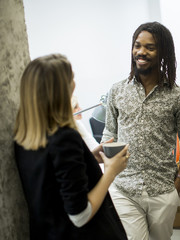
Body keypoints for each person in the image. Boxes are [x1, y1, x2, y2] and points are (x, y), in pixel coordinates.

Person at [14, 54, 128, 240]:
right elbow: (80, 216)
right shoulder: (65, 138)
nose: (74, 84)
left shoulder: (24, 137)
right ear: (60, 90)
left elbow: (51, 181)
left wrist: (88, 158)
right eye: (71, 79)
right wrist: (110, 172)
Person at [101, 22, 180, 240]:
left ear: (163, 52)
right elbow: (109, 133)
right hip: (124, 189)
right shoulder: (117, 91)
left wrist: (178, 184)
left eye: (149, 47)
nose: (141, 52)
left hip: (163, 190)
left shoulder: (179, 96)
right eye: (137, 46)